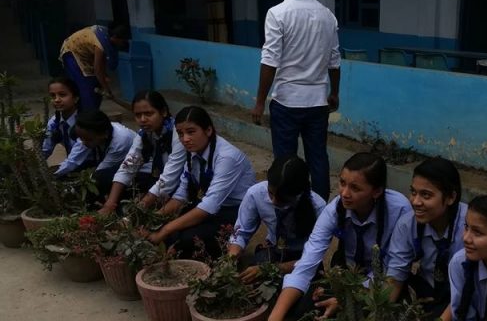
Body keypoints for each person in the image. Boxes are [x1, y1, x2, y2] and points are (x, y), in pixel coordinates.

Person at [260, 152, 412, 321]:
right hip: (345, 275)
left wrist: (349, 299)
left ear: (376, 191)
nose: (344, 193)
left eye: (355, 188)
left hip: (382, 283)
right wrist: (274, 319)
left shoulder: (400, 210)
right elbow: (307, 265)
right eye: (342, 183)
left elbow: (394, 276)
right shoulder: (334, 210)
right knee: (299, 310)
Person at [251, 0, 341, 201]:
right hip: (317, 102)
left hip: (287, 102)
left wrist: (260, 102)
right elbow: (334, 61)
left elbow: (269, 60)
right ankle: (321, 209)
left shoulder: (277, 13)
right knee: (318, 158)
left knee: (285, 160)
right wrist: (334, 93)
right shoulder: (327, 15)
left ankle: (288, 207)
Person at [147, 106, 256, 258]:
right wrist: (153, 220)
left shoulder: (227, 157)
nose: (185, 139)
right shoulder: (193, 152)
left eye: (191, 132)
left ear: (208, 131)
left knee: (186, 239)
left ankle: (224, 255)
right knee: (171, 234)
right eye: (180, 134)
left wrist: (165, 230)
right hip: (211, 207)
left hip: (235, 211)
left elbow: (209, 206)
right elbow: (181, 195)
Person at [387, 157, 466, 321]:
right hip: (427, 290)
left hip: (460, 296)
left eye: (426, 195)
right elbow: (395, 278)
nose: (415, 202)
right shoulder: (407, 224)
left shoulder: (468, 230)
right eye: (413, 192)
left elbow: (464, 291)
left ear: (451, 197)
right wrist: (378, 320)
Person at [227, 155, 326, 282]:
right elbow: (241, 232)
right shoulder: (255, 194)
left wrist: (270, 269)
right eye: (270, 193)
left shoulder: (319, 208)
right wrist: (231, 259)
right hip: (274, 250)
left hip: (302, 258)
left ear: (299, 193)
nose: (273, 201)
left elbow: (312, 260)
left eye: (282, 198)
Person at [100, 91, 186, 214]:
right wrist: (109, 205)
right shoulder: (144, 134)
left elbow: (169, 178)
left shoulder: (178, 135)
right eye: (138, 115)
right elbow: (128, 166)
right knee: (104, 179)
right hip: (156, 178)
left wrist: (140, 207)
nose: (143, 120)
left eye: (149, 114)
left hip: (178, 184)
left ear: (164, 112)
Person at [55, 110, 137, 198]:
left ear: (104, 134)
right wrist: (54, 174)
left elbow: (100, 171)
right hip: (110, 162)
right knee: (77, 168)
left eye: (87, 140)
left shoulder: (121, 141)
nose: (83, 143)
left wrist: (74, 188)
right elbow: (72, 161)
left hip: (134, 168)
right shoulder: (88, 135)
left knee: (100, 179)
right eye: (81, 138)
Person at [59, 23, 129, 111]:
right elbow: (98, 69)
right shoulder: (101, 43)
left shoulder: (107, 39)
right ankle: (87, 114)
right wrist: (107, 89)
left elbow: (101, 63)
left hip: (85, 55)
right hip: (72, 52)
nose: (122, 44)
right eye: (122, 41)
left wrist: (104, 77)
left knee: (96, 84)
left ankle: (93, 111)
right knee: (87, 85)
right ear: (115, 37)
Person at [42, 77, 80, 160]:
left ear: (76, 98)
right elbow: (45, 150)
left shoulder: (85, 121)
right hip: (71, 167)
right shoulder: (54, 122)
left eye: (62, 95)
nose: (57, 100)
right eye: (53, 96)